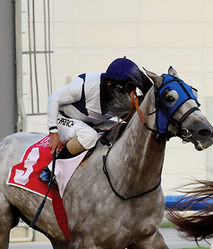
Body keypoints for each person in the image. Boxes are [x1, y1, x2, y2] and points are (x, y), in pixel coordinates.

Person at [39, 56, 152, 184]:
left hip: (92, 123)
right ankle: (52, 170)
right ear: (110, 83)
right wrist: (53, 132)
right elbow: (53, 99)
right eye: (125, 88)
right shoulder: (85, 85)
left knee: (124, 130)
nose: (127, 94)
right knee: (89, 136)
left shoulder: (119, 91)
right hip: (64, 118)